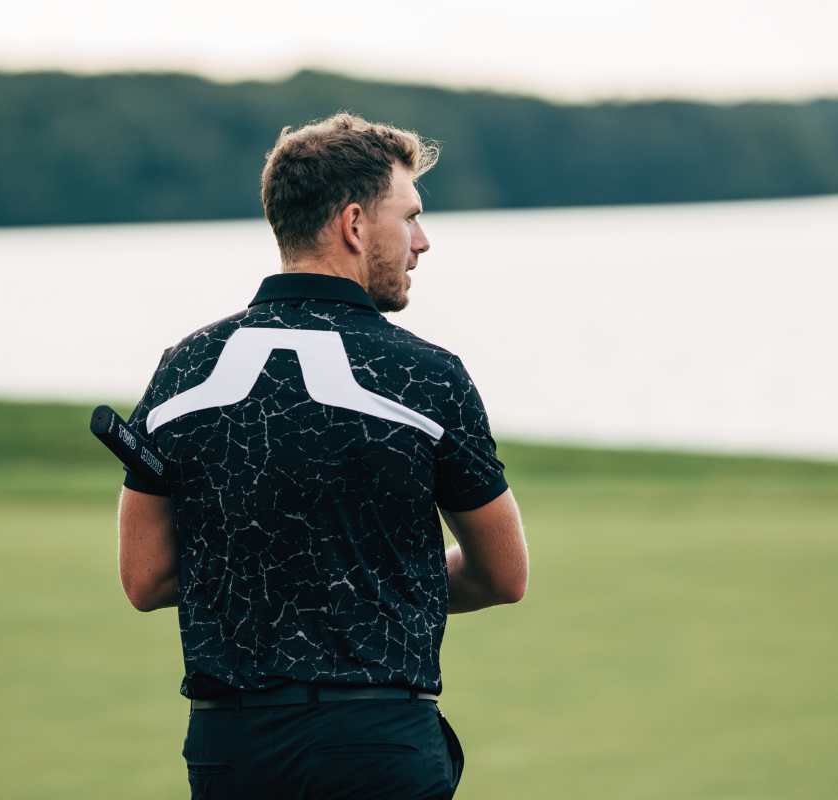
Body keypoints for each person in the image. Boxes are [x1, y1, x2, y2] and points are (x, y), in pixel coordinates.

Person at [114, 112, 530, 799]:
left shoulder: (182, 369)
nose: (422, 241)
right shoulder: (426, 375)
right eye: (410, 217)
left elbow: (146, 578)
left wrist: (273, 579)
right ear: (355, 224)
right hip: (378, 747)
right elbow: (502, 575)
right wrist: (373, 583)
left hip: (231, 753)